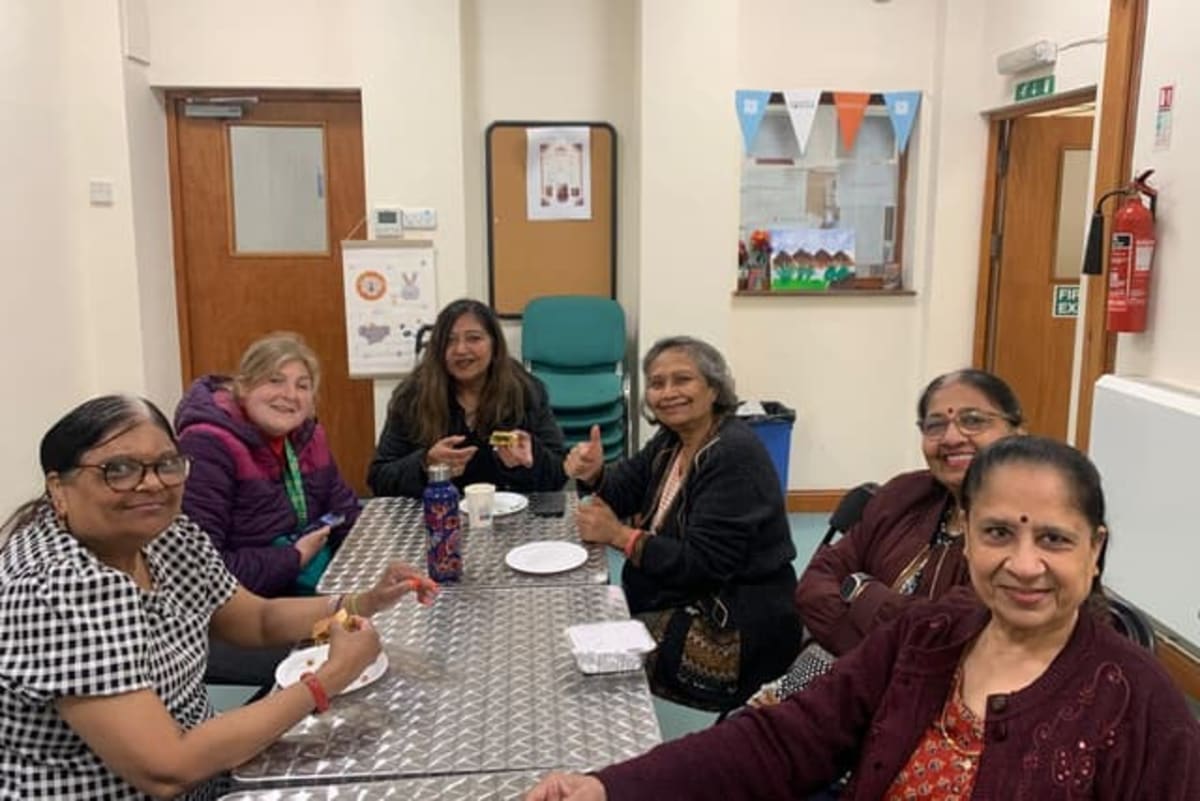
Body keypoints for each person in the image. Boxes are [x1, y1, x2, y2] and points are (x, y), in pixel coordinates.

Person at [527, 436, 1200, 800]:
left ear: (1095, 549)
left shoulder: (1142, 706)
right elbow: (785, 741)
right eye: (998, 533)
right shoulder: (928, 636)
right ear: (968, 538)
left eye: (1053, 538)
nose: (1024, 564)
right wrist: (611, 787)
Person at [0, 395, 438, 800]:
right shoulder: (54, 587)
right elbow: (166, 770)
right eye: (119, 469)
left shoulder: (168, 534)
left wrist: (360, 603)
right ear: (59, 488)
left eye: (166, 464)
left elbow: (255, 619)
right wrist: (329, 678)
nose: (151, 484)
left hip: (212, 769)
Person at [751, 369, 1024, 706]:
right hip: (835, 680)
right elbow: (814, 585)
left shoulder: (1025, 529)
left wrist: (860, 592)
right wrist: (884, 646)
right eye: (935, 425)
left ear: (1016, 431)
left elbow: (951, 635)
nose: (952, 437)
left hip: (935, 706)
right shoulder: (903, 495)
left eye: (973, 420)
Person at [564, 335, 801, 711]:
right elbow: (624, 490)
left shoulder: (732, 455)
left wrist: (621, 536)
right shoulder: (672, 440)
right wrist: (595, 474)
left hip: (734, 633)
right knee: (580, 627)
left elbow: (703, 563)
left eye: (683, 379)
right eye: (657, 383)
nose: (668, 393)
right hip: (685, 599)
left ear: (714, 389)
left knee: (588, 656)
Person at [175, 332, 360, 598]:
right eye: (275, 381)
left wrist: (366, 559)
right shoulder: (207, 445)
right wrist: (293, 558)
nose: (290, 395)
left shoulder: (309, 436)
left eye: (303, 386)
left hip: (305, 583)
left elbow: (343, 510)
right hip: (246, 604)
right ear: (243, 387)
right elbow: (200, 571)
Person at [368, 298, 567, 497]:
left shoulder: (526, 390)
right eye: (449, 340)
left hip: (509, 512)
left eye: (474, 338)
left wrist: (531, 459)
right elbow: (379, 478)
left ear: (494, 345)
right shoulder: (413, 395)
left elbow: (560, 473)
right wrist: (425, 464)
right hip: (439, 512)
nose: (460, 350)